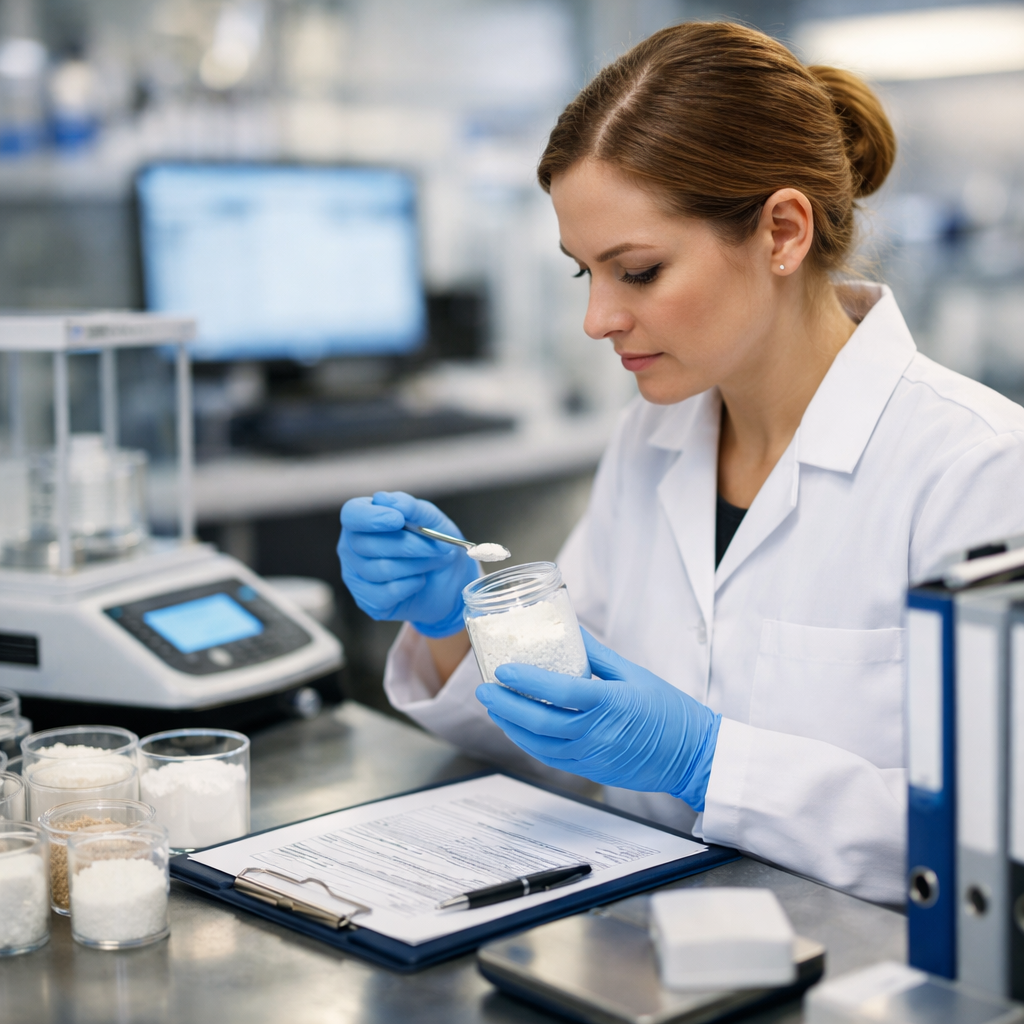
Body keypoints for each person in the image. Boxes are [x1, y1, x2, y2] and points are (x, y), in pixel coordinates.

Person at [338, 22, 1024, 905]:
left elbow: (993, 847)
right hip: (641, 947)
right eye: (586, 274)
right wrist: (451, 624)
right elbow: (555, 733)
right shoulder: (651, 438)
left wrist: (708, 762)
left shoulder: (977, 471)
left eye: (640, 270)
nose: (599, 321)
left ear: (782, 232)